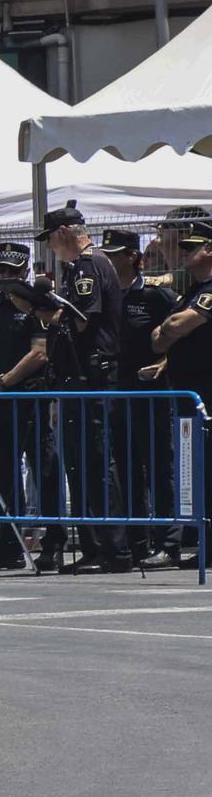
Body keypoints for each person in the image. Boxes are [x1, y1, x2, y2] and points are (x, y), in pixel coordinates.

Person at [39, 201, 129, 572]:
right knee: (82, 461)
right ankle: (96, 546)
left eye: (50, 239)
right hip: (84, 375)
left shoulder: (87, 266)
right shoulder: (84, 266)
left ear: (63, 234)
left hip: (93, 373)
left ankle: (112, 548)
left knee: (94, 460)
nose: (50, 247)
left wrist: (53, 314)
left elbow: (81, 321)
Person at [0, 244, 61, 572]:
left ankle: (53, 543)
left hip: (29, 397)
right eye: (2, 270)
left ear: (23, 271)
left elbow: (40, 352)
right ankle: (7, 544)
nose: (6, 277)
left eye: (12, 271)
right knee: (5, 473)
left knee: (44, 468)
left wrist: (5, 381)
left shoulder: (38, 306)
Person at [105, 229, 186, 568]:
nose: (109, 259)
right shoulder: (105, 296)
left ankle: (169, 540)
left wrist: (164, 363)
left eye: (116, 254)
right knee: (126, 467)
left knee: (158, 465)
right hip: (118, 391)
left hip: (152, 392)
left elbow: (181, 338)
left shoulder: (156, 296)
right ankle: (138, 540)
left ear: (132, 258)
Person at [153, 219, 212, 560]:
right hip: (189, 389)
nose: (185, 252)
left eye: (193, 247)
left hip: (206, 391)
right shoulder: (192, 289)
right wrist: (169, 330)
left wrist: (170, 330)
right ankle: (201, 538)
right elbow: (159, 340)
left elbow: (177, 325)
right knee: (196, 468)